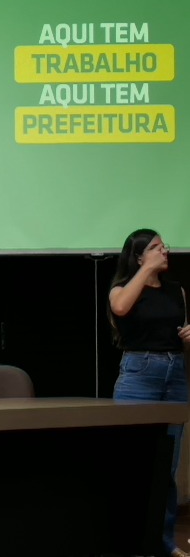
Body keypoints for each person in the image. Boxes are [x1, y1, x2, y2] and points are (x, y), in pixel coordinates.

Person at [107, 228, 190, 557]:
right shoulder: (122, 289)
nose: (164, 250)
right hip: (139, 375)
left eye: (164, 246)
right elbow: (120, 308)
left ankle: (164, 542)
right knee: (131, 464)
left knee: (166, 466)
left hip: (175, 373)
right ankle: (125, 542)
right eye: (156, 247)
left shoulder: (176, 290)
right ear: (139, 256)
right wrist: (146, 271)